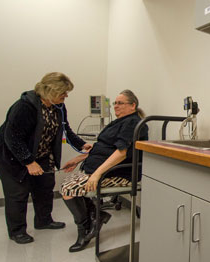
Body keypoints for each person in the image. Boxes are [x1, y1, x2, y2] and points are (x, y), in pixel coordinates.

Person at [0, 72, 92, 244]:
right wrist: (29, 162)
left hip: (40, 153)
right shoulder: (24, 107)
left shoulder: (58, 107)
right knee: (18, 191)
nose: (66, 96)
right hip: (10, 154)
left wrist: (81, 144)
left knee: (45, 185)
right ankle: (17, 231)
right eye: (63, 92)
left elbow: (66, 129)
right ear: (51, 91)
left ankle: (44, 220)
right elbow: (12, 137)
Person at [60, 89, 148, 252]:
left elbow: (121, 153)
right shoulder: (120, 121)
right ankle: (96, 217)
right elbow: (101, 147)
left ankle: (86, 229)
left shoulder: (132, 123)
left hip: (119, 173)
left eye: (120, 103)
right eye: (115, 103)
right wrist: (77, 160)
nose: (115, 106)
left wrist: (97, 174)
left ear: (133, 105)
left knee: (68, 189)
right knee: (68, 184)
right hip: (103, 169)